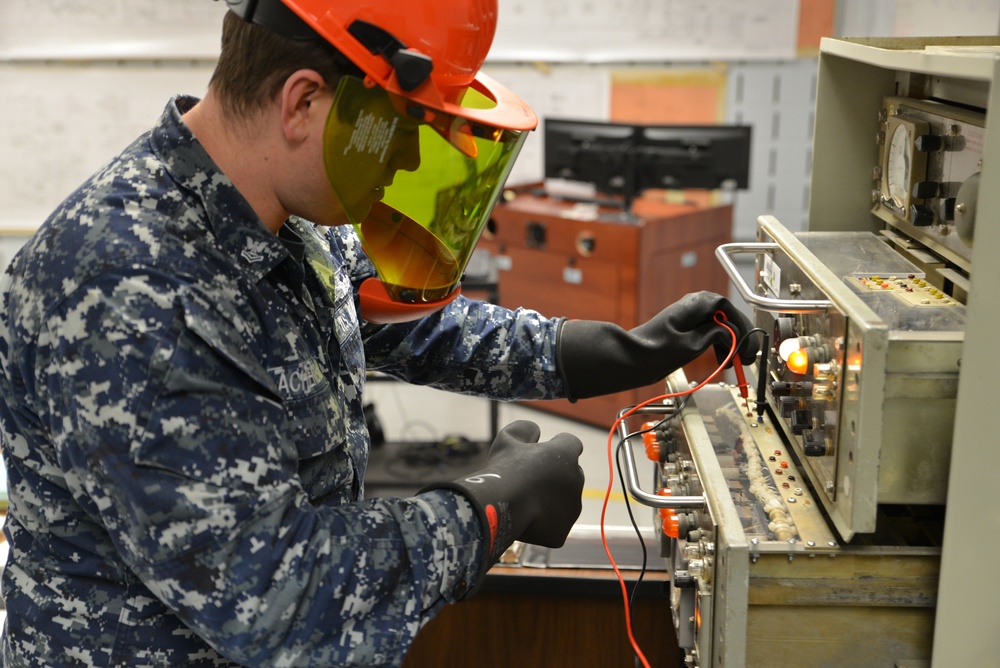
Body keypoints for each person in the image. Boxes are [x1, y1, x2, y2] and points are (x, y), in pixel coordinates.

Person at [0, 1, 757, 666]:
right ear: (302, 103)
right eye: (398, 131)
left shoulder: (280, 211)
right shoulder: (133, 290)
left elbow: (409, 318)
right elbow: (273, 598)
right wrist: (486, 509)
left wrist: (610, 352)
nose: (401, 162)